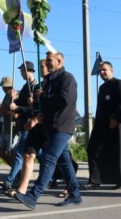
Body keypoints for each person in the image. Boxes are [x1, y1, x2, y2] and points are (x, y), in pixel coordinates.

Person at [14, 52, 82, 210]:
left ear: (59, 61)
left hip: (62, 126)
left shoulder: (67, 78)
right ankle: (75, 194)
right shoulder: (50, 80)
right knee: (64, 161)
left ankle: (32, 196)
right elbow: (46, 104)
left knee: (49, 159)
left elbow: (64, 100)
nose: (48, 64)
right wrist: (38, 115)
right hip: (51, 127)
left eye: (50, 61)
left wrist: (44, 96)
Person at [82, 61, 121, 190]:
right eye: (100, 71)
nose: (102, 73)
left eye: (105, 70)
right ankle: (94, 181)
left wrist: (116, 118)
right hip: (101, 124)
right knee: (92, 149)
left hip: (115, 124)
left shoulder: (119, 83)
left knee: (116, 153)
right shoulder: (102, 88)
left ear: (111, 70)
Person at [0, 61, 37, 192]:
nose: (21, 74)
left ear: (29, 71)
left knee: (20, 153)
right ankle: (11, 181)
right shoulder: (26, 87)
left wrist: (16, 107)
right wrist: (14, 100)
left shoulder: (36, 87)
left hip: (32, 126)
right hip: (25, 126)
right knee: (22, 154)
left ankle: (12, 181)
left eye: (22, 71)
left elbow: (34, 110)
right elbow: (16, 105)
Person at [0, 76, 18, 167]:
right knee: (1, 151)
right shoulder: (6, 96)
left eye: (5, 86)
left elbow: (15, 114)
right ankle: (15, 170)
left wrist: (1, 108)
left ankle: (17, 172)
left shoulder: (15, 96)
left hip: (13, 128)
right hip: (6, 127)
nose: (3, 88)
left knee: (12, 152)